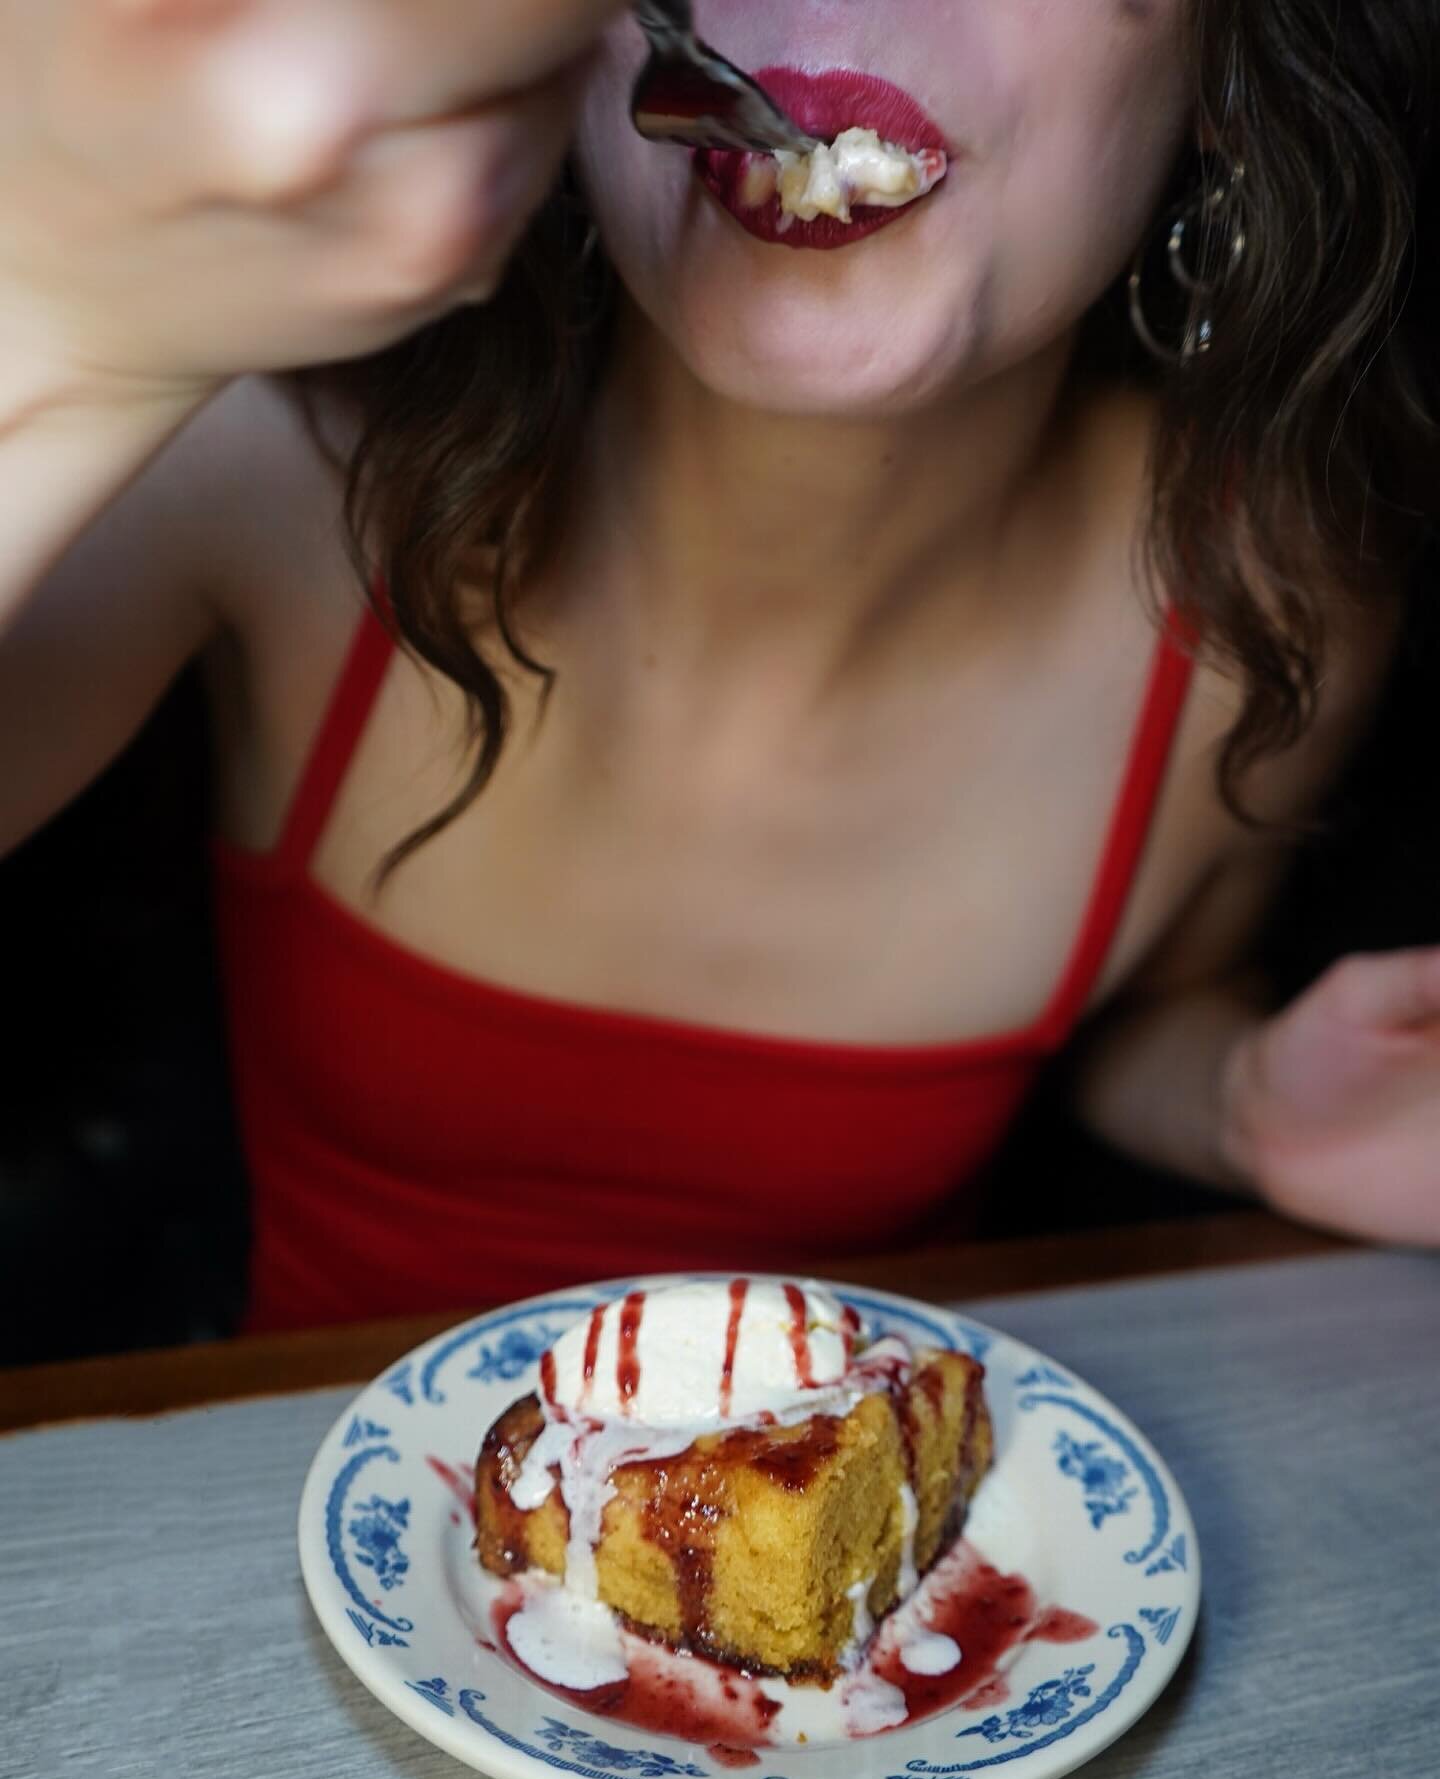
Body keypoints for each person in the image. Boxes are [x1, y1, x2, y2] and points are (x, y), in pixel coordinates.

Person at [0, 0, 1435, 1331]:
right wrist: (60, 317)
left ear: (1228, 81)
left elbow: (1148, 997)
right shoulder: (277, 468)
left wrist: (1244, 1101)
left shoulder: (1262, 595)